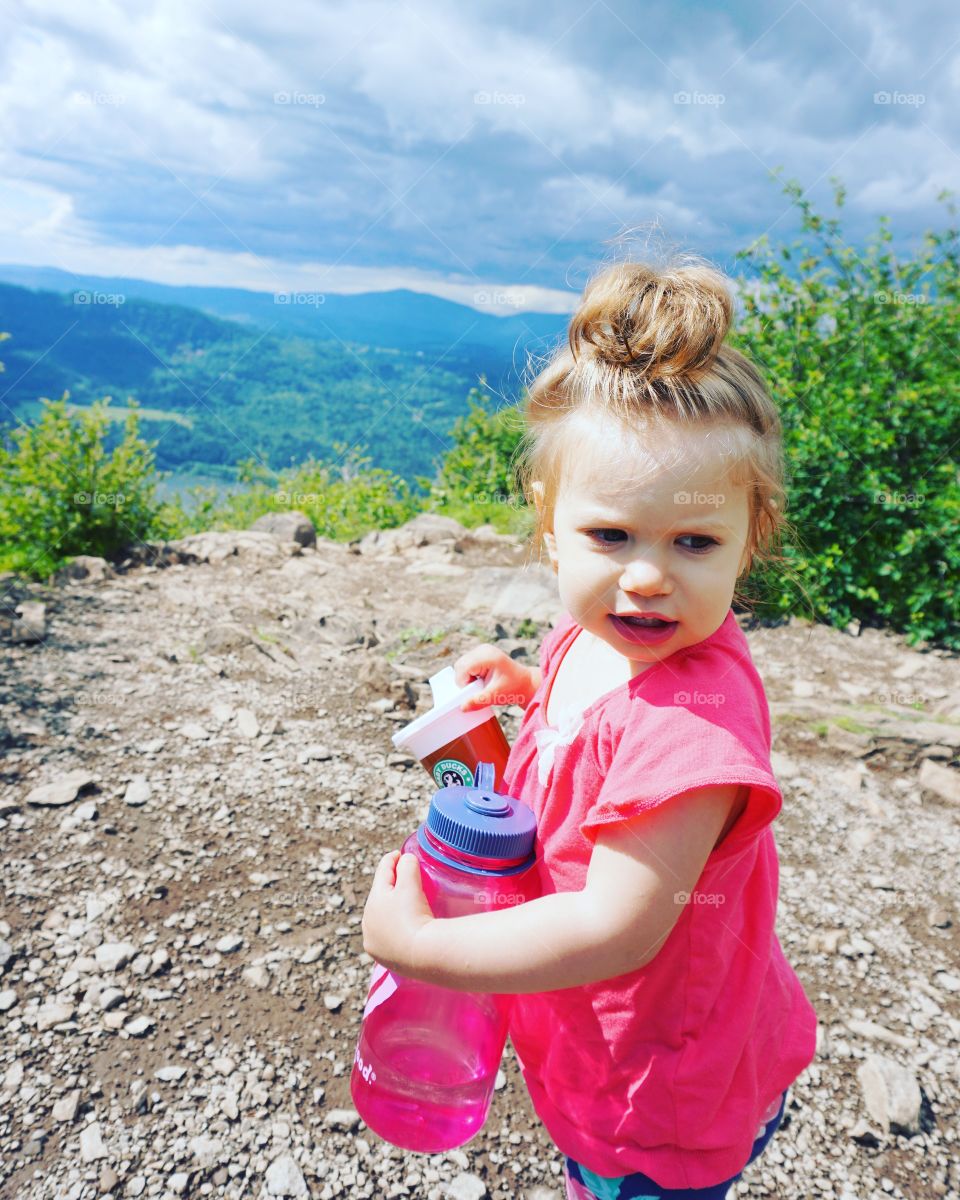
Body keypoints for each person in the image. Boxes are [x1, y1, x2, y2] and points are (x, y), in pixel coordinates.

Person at [361, 255, 819, 1199]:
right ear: (551, 523)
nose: (648, 577)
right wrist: (531, 689)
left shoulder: (692, 732)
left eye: (695, 543)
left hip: (659, 1089)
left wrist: (422, 952)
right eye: (612, 536)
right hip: (600, 1045)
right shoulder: (596, 634)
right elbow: (592, 718)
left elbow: (614, 929)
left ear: (752, 534)